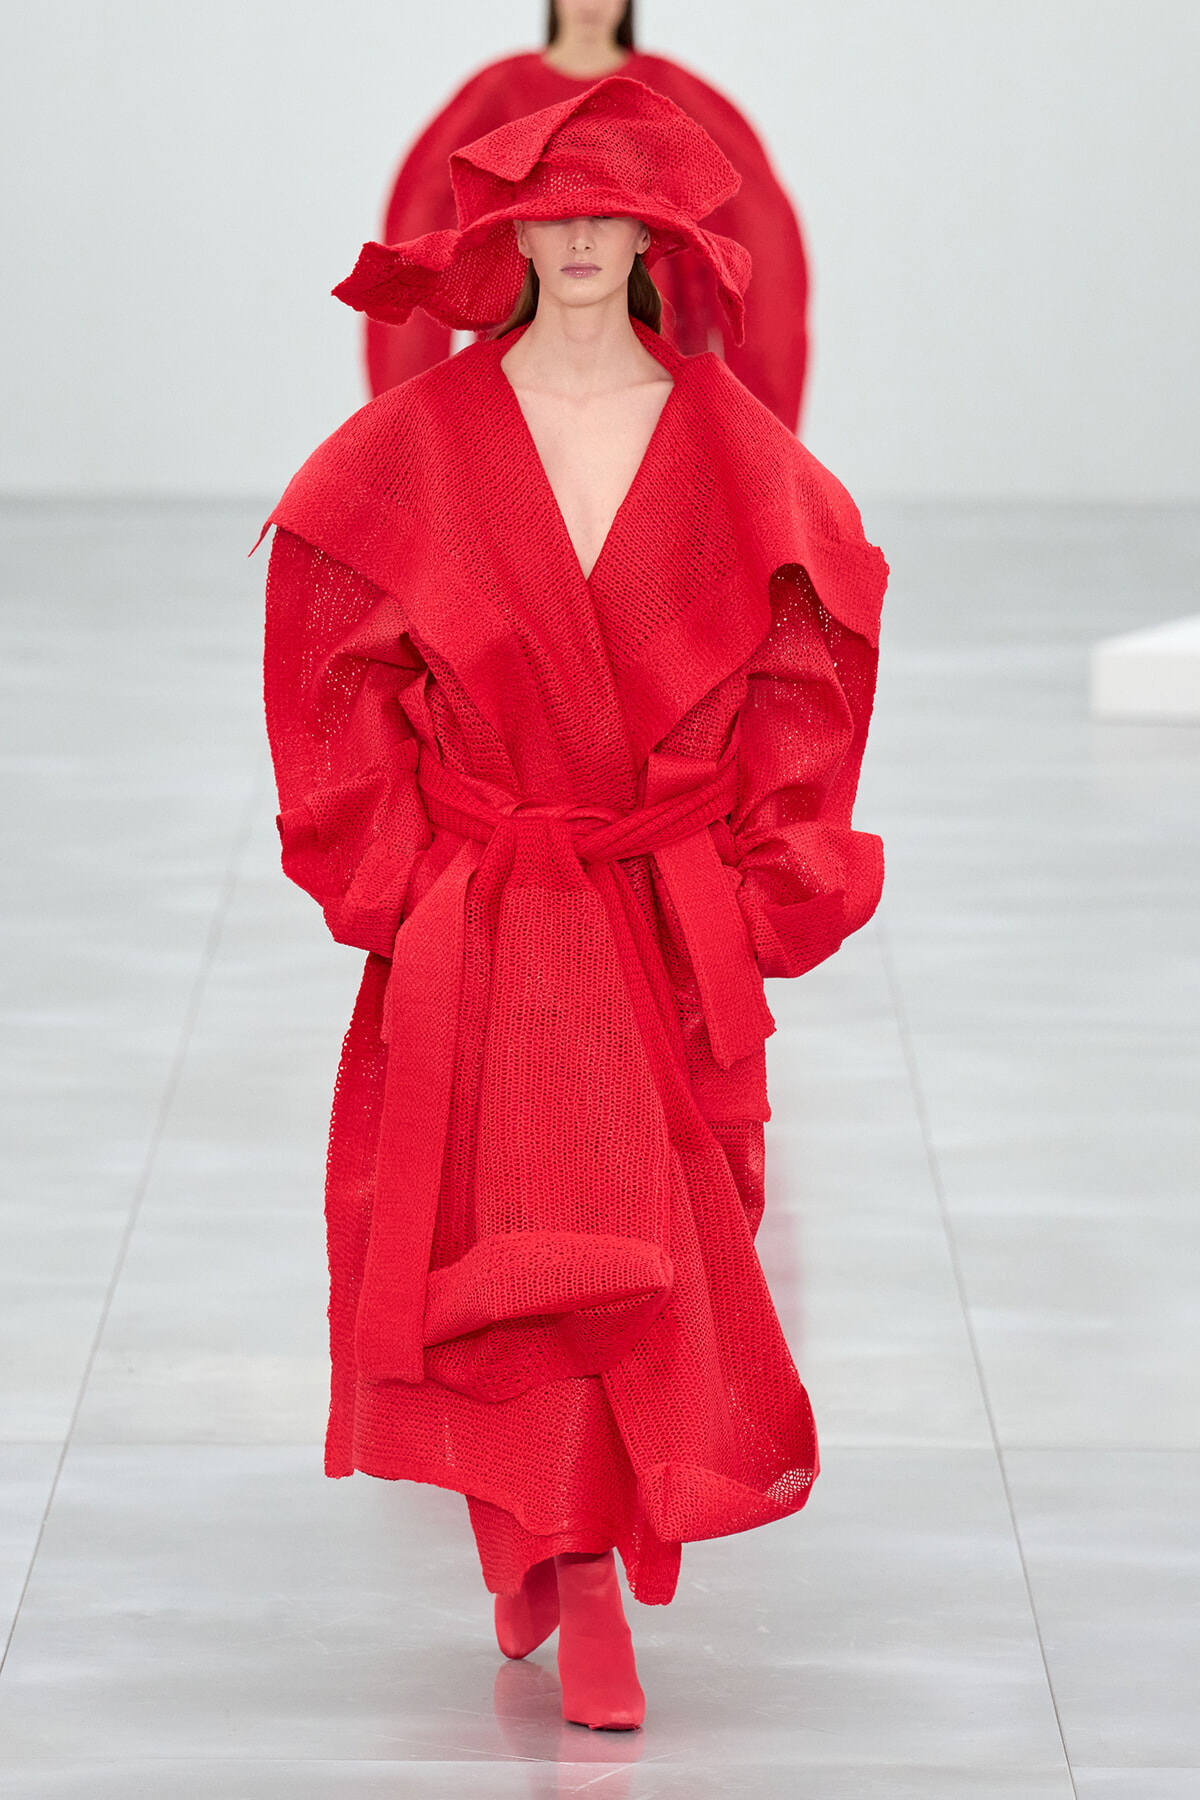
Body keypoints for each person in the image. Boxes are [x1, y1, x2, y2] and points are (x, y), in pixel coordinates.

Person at [263, 77, 886, 1732]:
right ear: (512, 234)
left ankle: (567, 1533)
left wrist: (760, 878)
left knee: (663, 1244)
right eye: (557, 210)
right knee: (513, 1245)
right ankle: (571, 1561)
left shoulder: (735, 449)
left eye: (617, 209)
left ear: (662, 234)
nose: (588, 238)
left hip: (654, 913)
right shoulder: (420, 443)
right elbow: (329, 659)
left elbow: (811, 659)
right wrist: (404, 876)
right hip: (486, 910)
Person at [366, 0, 809, 429]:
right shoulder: (502, 89)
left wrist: (763, 421)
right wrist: (407, 416)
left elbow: (758, 221)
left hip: (643, 327)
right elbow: (425, 203)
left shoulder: (667, 89)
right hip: (528, 326)